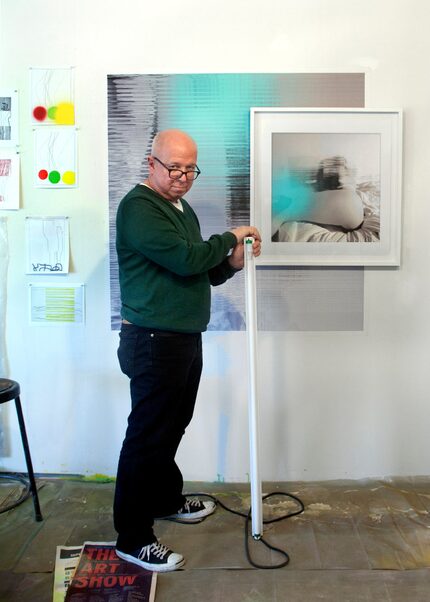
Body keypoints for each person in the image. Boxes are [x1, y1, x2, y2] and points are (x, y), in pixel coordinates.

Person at [113, 129, 261, 572]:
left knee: (172, 426)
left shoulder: (181, 206)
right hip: (153, 341)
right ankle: (132, 537)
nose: (181, 177)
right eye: (173, 168)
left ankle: (163, 499)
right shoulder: (139, 209)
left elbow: (200, 271)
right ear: (150, 163)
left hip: (182, 339)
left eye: (189, 169)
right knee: (147, 436)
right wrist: (230, 235)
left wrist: (231, 262)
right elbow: (185, 259)